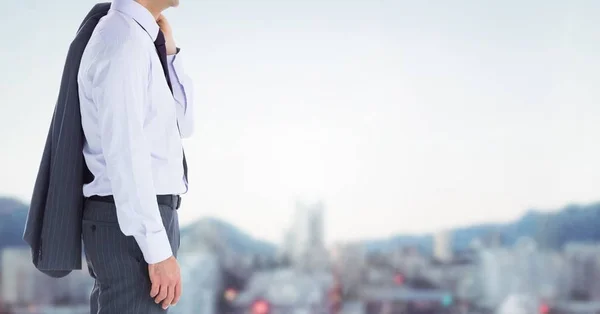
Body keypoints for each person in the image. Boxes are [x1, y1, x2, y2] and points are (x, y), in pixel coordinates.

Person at [77, 0, 195, 312]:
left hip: (141, 216)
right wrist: (157, 251)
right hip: (129, 222)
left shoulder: (140, 40)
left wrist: (169, 55)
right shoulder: (123, 43)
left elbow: (184, 123)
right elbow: (125, 155)